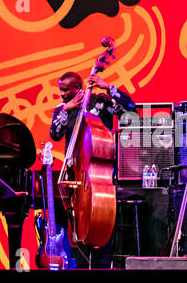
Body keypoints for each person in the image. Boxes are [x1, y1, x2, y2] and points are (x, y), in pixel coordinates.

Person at [47, 69, 136, 267]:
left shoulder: (100, 102)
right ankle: (78, 262)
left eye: (65, 90)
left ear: (78, 88)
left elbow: (131, 110)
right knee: (76, 229)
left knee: (99, 227)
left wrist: (108, 87)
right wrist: (66, 108)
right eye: (60, 90)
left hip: (97, 176)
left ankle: (101, 264)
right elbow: (55, 134)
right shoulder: (63, 108)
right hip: (74, 176)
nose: (61, 94)